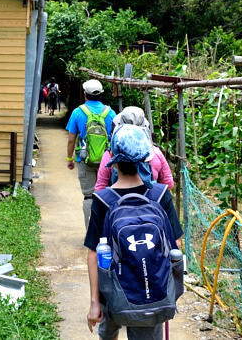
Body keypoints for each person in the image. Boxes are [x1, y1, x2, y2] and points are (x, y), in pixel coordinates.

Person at [85, 124, 184, 340]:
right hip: (152, 293)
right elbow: (174, 245)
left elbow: (94, 253)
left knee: (108, 334)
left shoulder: (103, 200)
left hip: (112, 291)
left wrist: (95, 303)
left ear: (113, 160)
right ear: (147, 159)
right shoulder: (160, 194)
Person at [66, 79, 117, 228]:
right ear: (101, 94)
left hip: (85, 160)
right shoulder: (111, 113)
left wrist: (70, 159)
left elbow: (71, 140)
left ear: (85, 94)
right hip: (107, 161)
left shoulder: (77, 112)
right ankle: (106, 231)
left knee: (89, 196)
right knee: (107, 195)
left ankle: (91, 233)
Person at [94, 106, 175, 192]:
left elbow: (100, 188)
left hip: (116, 199)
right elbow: (168, 183)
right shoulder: (155, 153)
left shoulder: (111, 155)